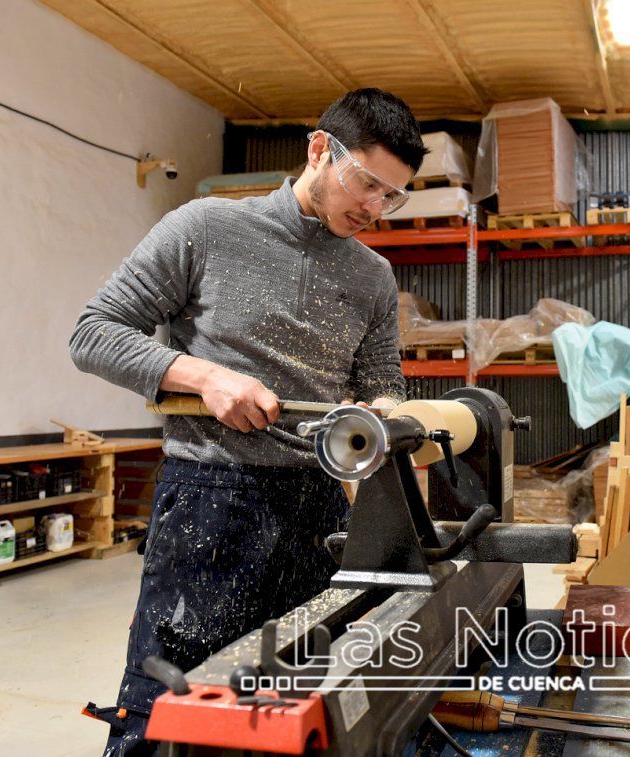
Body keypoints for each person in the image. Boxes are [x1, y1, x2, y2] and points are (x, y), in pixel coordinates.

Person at [69, 88, 428, 755]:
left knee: (289, 709)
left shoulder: (373, 278)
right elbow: (93, 332)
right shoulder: (204, 228)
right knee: (168, 716)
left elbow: (382, 388)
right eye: (369, 185)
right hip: (209, 502)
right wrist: (205, 377)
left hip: (317, 513)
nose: (377, 209)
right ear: (320, 148)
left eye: (393, 197)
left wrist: (382, 415)